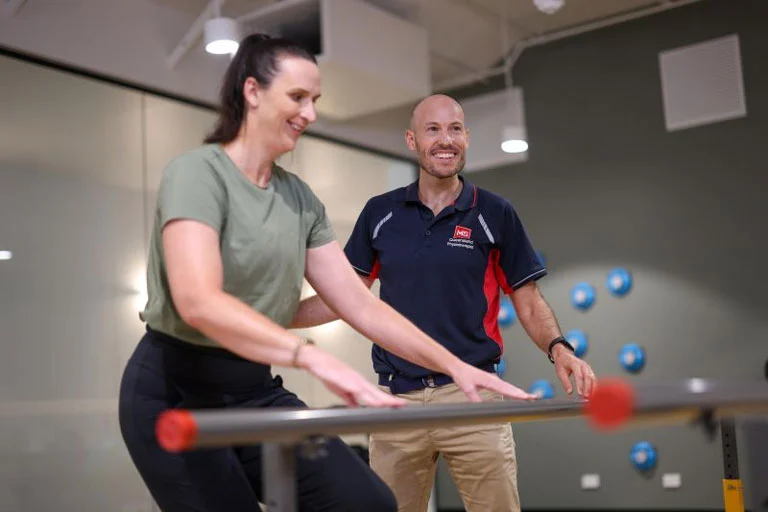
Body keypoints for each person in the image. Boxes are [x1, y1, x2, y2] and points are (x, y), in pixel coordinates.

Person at [118, 36, 537, 512]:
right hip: (175, 386)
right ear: (252, 92)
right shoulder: (197, 173)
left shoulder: (299, 199)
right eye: (297, 98)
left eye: (314, 101)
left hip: (252, 388)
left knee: (367, 502)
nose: (310, 114)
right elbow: (198, 300)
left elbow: (358, 304)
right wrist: (310, 356)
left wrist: (456, 366)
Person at [291, 94, 598, 512]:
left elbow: (527, 300)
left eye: (454, 129)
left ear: (466, 137)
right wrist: (274, 318)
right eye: (432, 130)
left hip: (473, 398)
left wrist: (559, 348)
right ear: (412, 140)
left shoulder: (494, 212)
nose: (445, 139)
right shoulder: (380, 213)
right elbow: (343, 297)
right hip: (397, 402)